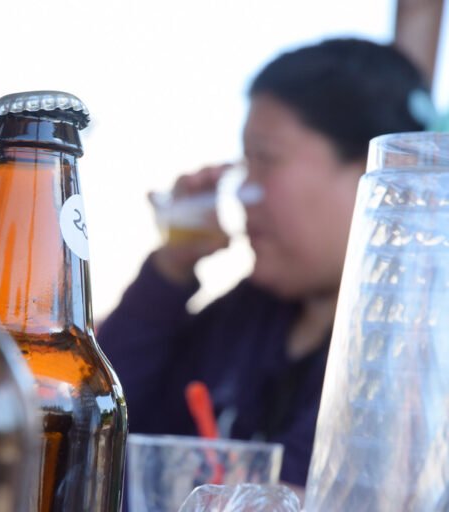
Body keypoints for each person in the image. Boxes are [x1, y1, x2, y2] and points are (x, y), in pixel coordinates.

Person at [97, 37, 429, 487]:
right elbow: (103, 427)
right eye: (245, 164)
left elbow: (311, 488)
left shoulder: (412, 348)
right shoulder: (247, 314)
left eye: (266, 161)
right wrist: (170, 270)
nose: (243, 191)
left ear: (372, 172)